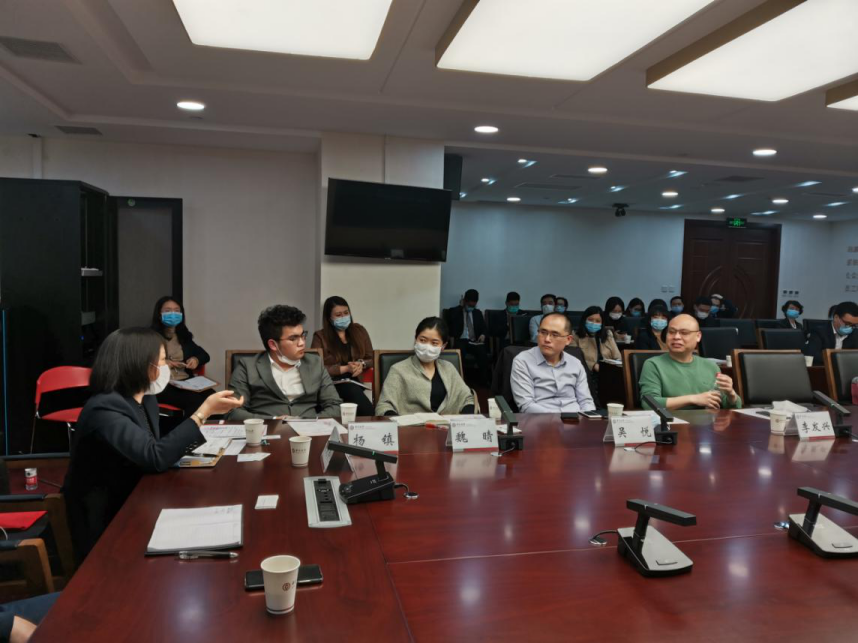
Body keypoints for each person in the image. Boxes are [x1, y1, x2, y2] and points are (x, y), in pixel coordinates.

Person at [63, 328, 244, 559]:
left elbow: (156, 441)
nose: (167, 367)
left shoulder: (144, 398)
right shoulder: (105, 408)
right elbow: (154, 456)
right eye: (162, 361)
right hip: (106, 516)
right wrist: (203, 413)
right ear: (138, 364)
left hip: (139, 496)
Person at [227, 305, 342, 420]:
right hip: (267, 428)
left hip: (309, 429)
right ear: (273, 344)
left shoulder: (315, 363)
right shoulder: (247, 367)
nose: (302, 343)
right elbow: (233, 412)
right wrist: (272, 421)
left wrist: (310, 422)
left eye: (303, 335)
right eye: (293, 339)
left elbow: (335, 406)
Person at [639, 314, 742, 411]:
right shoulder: (653, 364)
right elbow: (649, 403)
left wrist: (731, 394)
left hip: (707, 422)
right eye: (671, 332)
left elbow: (730, 406)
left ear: (698, 336)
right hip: (673, 421)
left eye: (684, 333)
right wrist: (693, 399)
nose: (676, 337)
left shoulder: (711, 366)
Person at [375, 317, 475, 416]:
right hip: (412, 425)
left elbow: (467, 399)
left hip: (448, 425)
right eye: (422, 340)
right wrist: (398, 422)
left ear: (443, 346)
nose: (427, 346)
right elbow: (384, 406)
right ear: (416, 339)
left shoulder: (449, 368)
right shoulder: (398, 370)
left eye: (434, 343)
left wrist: (465, 420)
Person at [511, 313, 595, 413]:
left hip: (576, 418)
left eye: (555, 335)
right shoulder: (522, 361)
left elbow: (586, 401)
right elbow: (526, 405)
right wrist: (560, 419)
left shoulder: (575, 363)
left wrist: (587, 419)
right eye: (543, 332)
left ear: (568, 340)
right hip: (540, 420)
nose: (547, 339)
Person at [150, 296, 213, 418]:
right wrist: (163, 363)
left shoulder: (183, 336)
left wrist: (196, 360)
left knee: (213, 398)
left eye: (176, 310)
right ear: (159, 314)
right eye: (168, 310)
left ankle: (216, 428)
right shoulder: (149, 336)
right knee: (194, 401)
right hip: (162, 385)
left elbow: (204, 355)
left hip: (185, 383)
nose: (173, 314)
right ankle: (191, 429)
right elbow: (141, 361)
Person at [311, 296, 374, 416]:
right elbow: (315, 368)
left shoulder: (359, 331)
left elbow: (372, 358)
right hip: (331, 384)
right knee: (349, 388)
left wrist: (361, 364)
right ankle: (371, 419)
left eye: (346, 313)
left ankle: (369, 421)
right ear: (329, 318)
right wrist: (345, 369)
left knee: (351, 388)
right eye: (338, 315)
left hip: (356, 382)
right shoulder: (320, 337)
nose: (343, 317)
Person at [447, 289, 490, 385]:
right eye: (469, 305)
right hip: (460, 340)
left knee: (482, 352)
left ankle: (484, 381)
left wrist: (483, 335)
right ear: (464, 301)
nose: (471, 307)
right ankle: (459, 380)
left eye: (473, 306)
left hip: (474, 341)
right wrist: (460, 307)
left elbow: (484, 328)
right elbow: (450, 325)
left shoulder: (477, 313)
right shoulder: (454, 311)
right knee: (460, 350)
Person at [570, 306, 622, 372]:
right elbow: (573, 358)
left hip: (608, 372)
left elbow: (618, 357)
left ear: (602, 323)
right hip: (586, 372)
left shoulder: (608, 334)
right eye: (590, 320)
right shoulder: (575, 335)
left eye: (598, 321)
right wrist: (593, 365)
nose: (594, 323)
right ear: (584, 320)